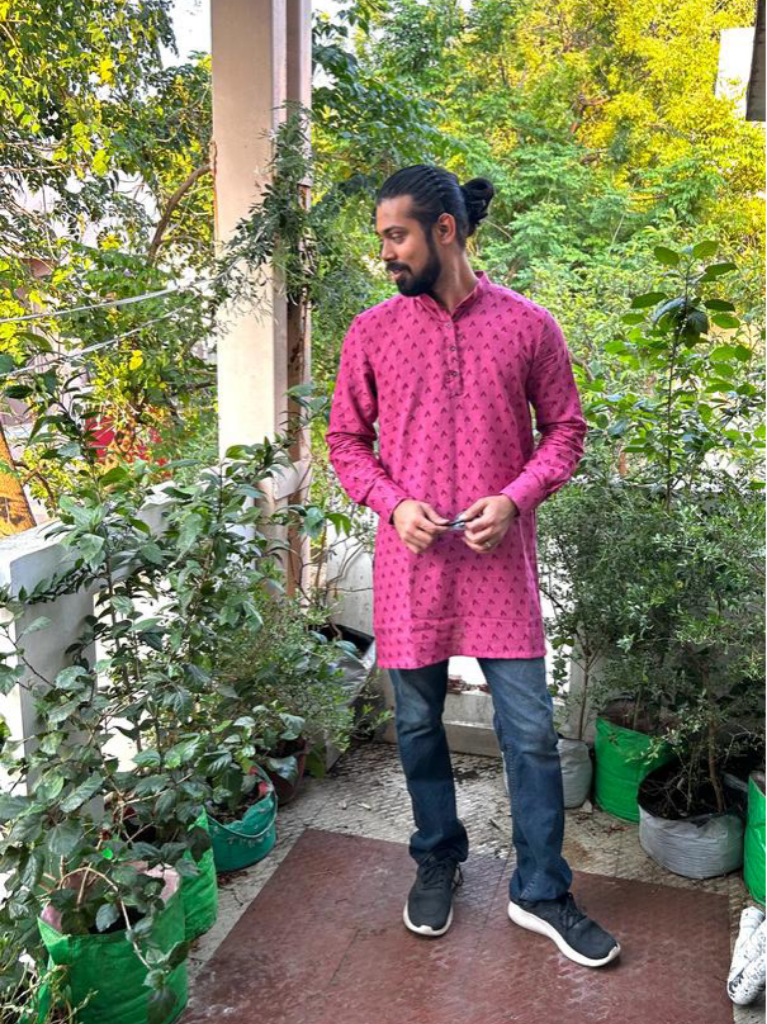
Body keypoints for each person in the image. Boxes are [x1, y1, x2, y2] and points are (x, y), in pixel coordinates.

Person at [326, 164, 620, 969]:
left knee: (529, 732)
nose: (385, 252)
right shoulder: (371, 332)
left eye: (396, 235)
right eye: (382, 237)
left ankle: (541, 891)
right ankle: (437, 856)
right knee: (417, 725)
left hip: (499, 568)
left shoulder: (528, 326)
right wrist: (392, 504)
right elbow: (345, 442)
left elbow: (565, 430)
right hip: (411, 565)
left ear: (444, 230)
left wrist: (516, 498)